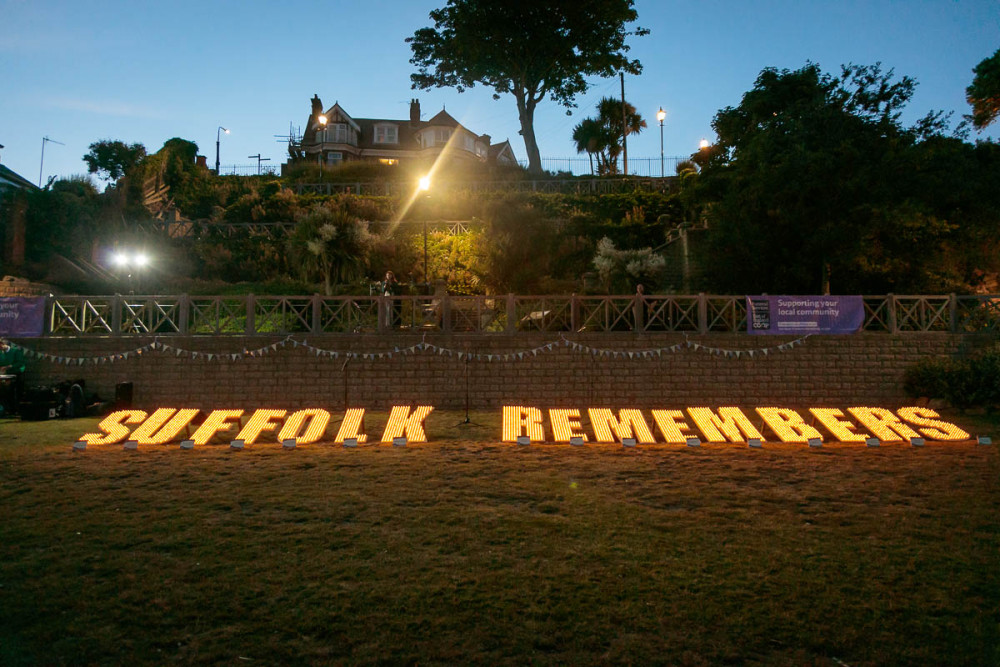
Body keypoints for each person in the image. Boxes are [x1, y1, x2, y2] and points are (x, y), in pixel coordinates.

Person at [0, 339, 26, 416]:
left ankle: (18, 410)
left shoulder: (15, 351)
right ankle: (9, 409)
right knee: (6, 392)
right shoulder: (1, 353)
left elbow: (20, 363)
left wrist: (9, 366)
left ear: (2, 344)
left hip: (17, 373)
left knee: (18, 392)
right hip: (6, 375)